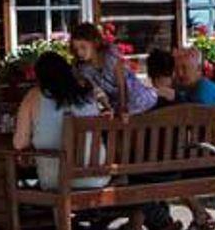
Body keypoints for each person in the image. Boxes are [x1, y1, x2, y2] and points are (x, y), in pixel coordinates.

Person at [11, 50, 105, 192]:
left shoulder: (34, 96)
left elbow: (20, 143)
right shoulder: (87, 95)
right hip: (97, 177)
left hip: (56, 180)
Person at [68, 21, 160, 116]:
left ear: (95, 43)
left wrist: (123, 108)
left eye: (83, 47)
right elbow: (97, 91)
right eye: (76, 49)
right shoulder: (85, 69)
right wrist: (107, 107)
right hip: (118, 103)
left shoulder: (110, 56)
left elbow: (122, 83)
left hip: (137, 97)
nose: (79, 53)